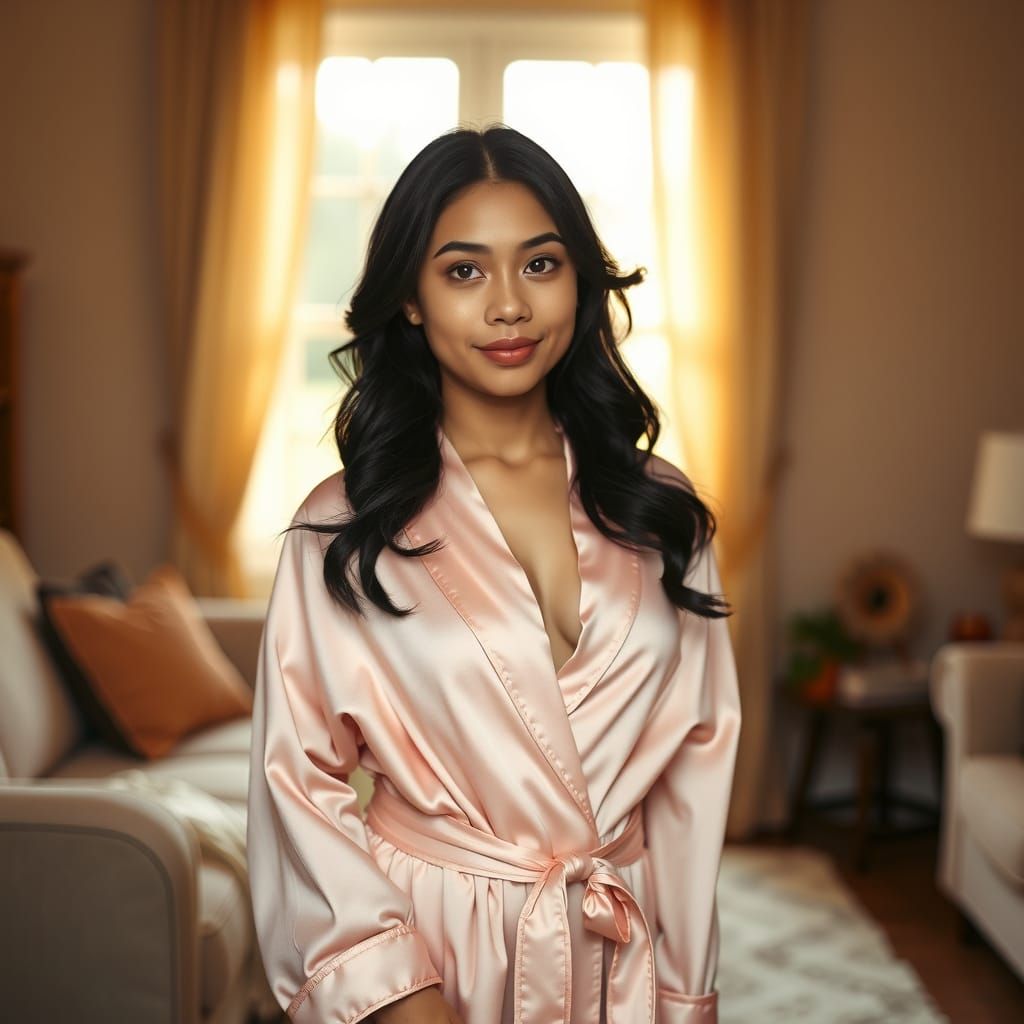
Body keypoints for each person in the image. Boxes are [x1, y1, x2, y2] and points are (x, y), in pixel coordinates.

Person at [246, 124, 741, 1024]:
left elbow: (692, 785)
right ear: (409, 299)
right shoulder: (343, 524)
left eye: (541, 265)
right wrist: (393, 992)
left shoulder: (660, 510)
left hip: (615, 959)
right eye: (464, 271)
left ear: (581, 283)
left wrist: (683, 991)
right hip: (430, 959)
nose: (509, 305)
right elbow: (298, 783)